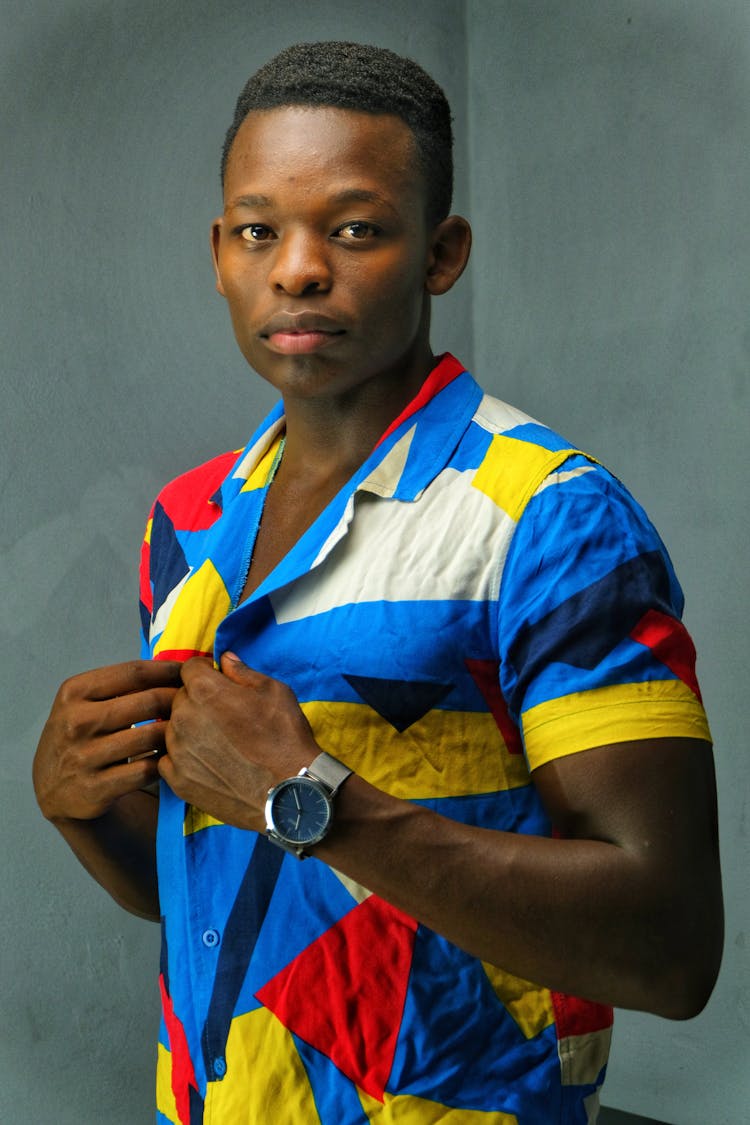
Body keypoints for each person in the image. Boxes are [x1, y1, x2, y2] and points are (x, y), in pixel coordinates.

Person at [33, 41, 722, 1125]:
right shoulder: (189, 520)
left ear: (441, 254)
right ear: (219, 255)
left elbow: (669, 949)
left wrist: (306, 800)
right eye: (259, 231)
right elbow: (227, 884)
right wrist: (84, 811)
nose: (298, 268)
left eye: (354, 229)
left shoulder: (551, 516)